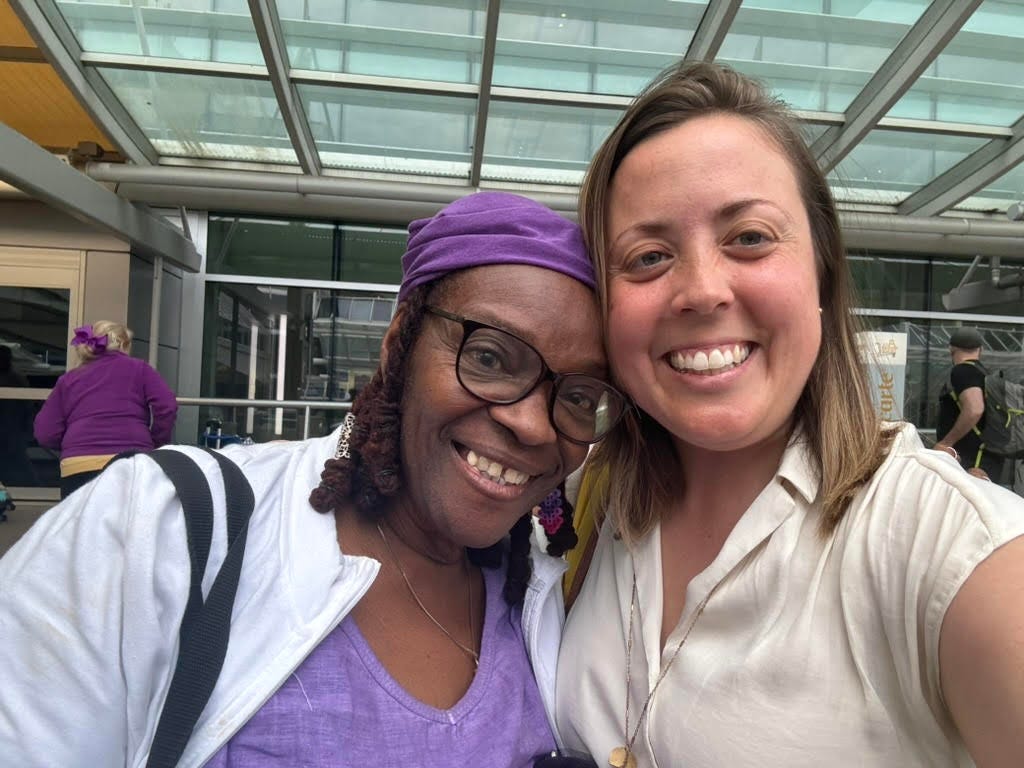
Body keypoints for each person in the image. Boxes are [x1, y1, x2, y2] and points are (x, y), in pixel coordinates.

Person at [0, 192, 627, 767]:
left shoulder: (548, 598)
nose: (533, 425)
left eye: (577, 397)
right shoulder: (154, 527)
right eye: (488, 357)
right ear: (397, 345)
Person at [555, 61, 1024, 768]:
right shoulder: (586, 501)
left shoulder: (953, 551)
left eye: (749, 238)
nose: (702, 291)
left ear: (822, 273)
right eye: (648, 256)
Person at [33, 320, 179, 498]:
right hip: (132, 462)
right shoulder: (140, 369)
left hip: (78, 465)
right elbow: (167, 406)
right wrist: (157, 441)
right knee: (134, 524)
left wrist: (73, 445)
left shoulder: (69, 379)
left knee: (82, 525)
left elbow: (45, 432)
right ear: (124, 344)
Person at [935, 326, 1003, 481]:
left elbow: (975, 409)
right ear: (981, 349)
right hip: (987, 458)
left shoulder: (963, 371)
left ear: (951, 349)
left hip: (973, 461)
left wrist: (946, 443)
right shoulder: (986, 373)